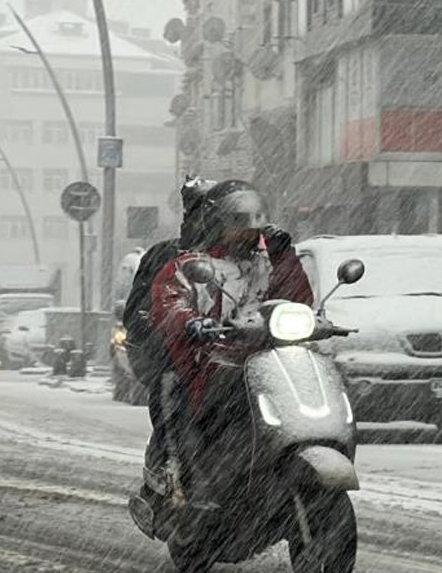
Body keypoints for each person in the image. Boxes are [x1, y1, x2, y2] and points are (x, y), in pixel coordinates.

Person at [151, 179, 313, 429]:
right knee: (188, 408)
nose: (248, 232)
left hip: (272, 357)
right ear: (217, 224)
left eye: (253, 224)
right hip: (214, 360)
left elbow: (298, 299)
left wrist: (284, 256)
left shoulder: (269, 261)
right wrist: (192, 322)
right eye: (238, 224)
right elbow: (170, 301)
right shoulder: (191, 265)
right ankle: (175, 459)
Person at [125, 176, 217, 490]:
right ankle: (166, 469)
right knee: (171, 387)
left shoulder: (250, 260)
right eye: (204, 211)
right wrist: (173, 327)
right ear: (190, 214)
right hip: (178, 358)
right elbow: (138, 314)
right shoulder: (165, 257)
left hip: (232, 358)